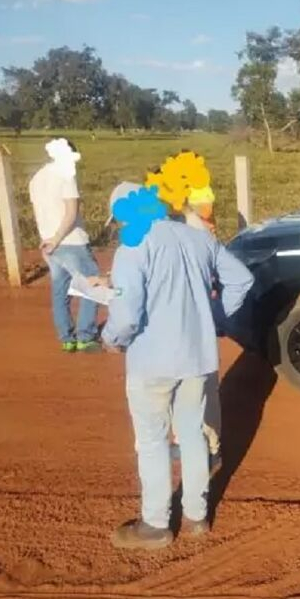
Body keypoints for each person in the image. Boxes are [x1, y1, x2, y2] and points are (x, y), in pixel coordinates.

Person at [102, 193, 253, 550]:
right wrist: (215, 318)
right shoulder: (200, 237)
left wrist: (112, 339)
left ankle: (155, 524)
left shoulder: (134, 245)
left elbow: (125, 315)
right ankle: (197, 516)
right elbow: (241, 280)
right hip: (197, 358)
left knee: (153, 441)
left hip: (151, 361)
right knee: (191, 433)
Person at [29, 138, 100, 353]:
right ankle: (85, 337)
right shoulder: (66, 174)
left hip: (49, 242)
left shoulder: (36, 177)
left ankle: (66, 338)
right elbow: (71, 212)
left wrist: (48, 242)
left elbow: (39, 213)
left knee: (60, 291)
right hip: (70, 240)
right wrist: (57, 238)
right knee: (93, 286)